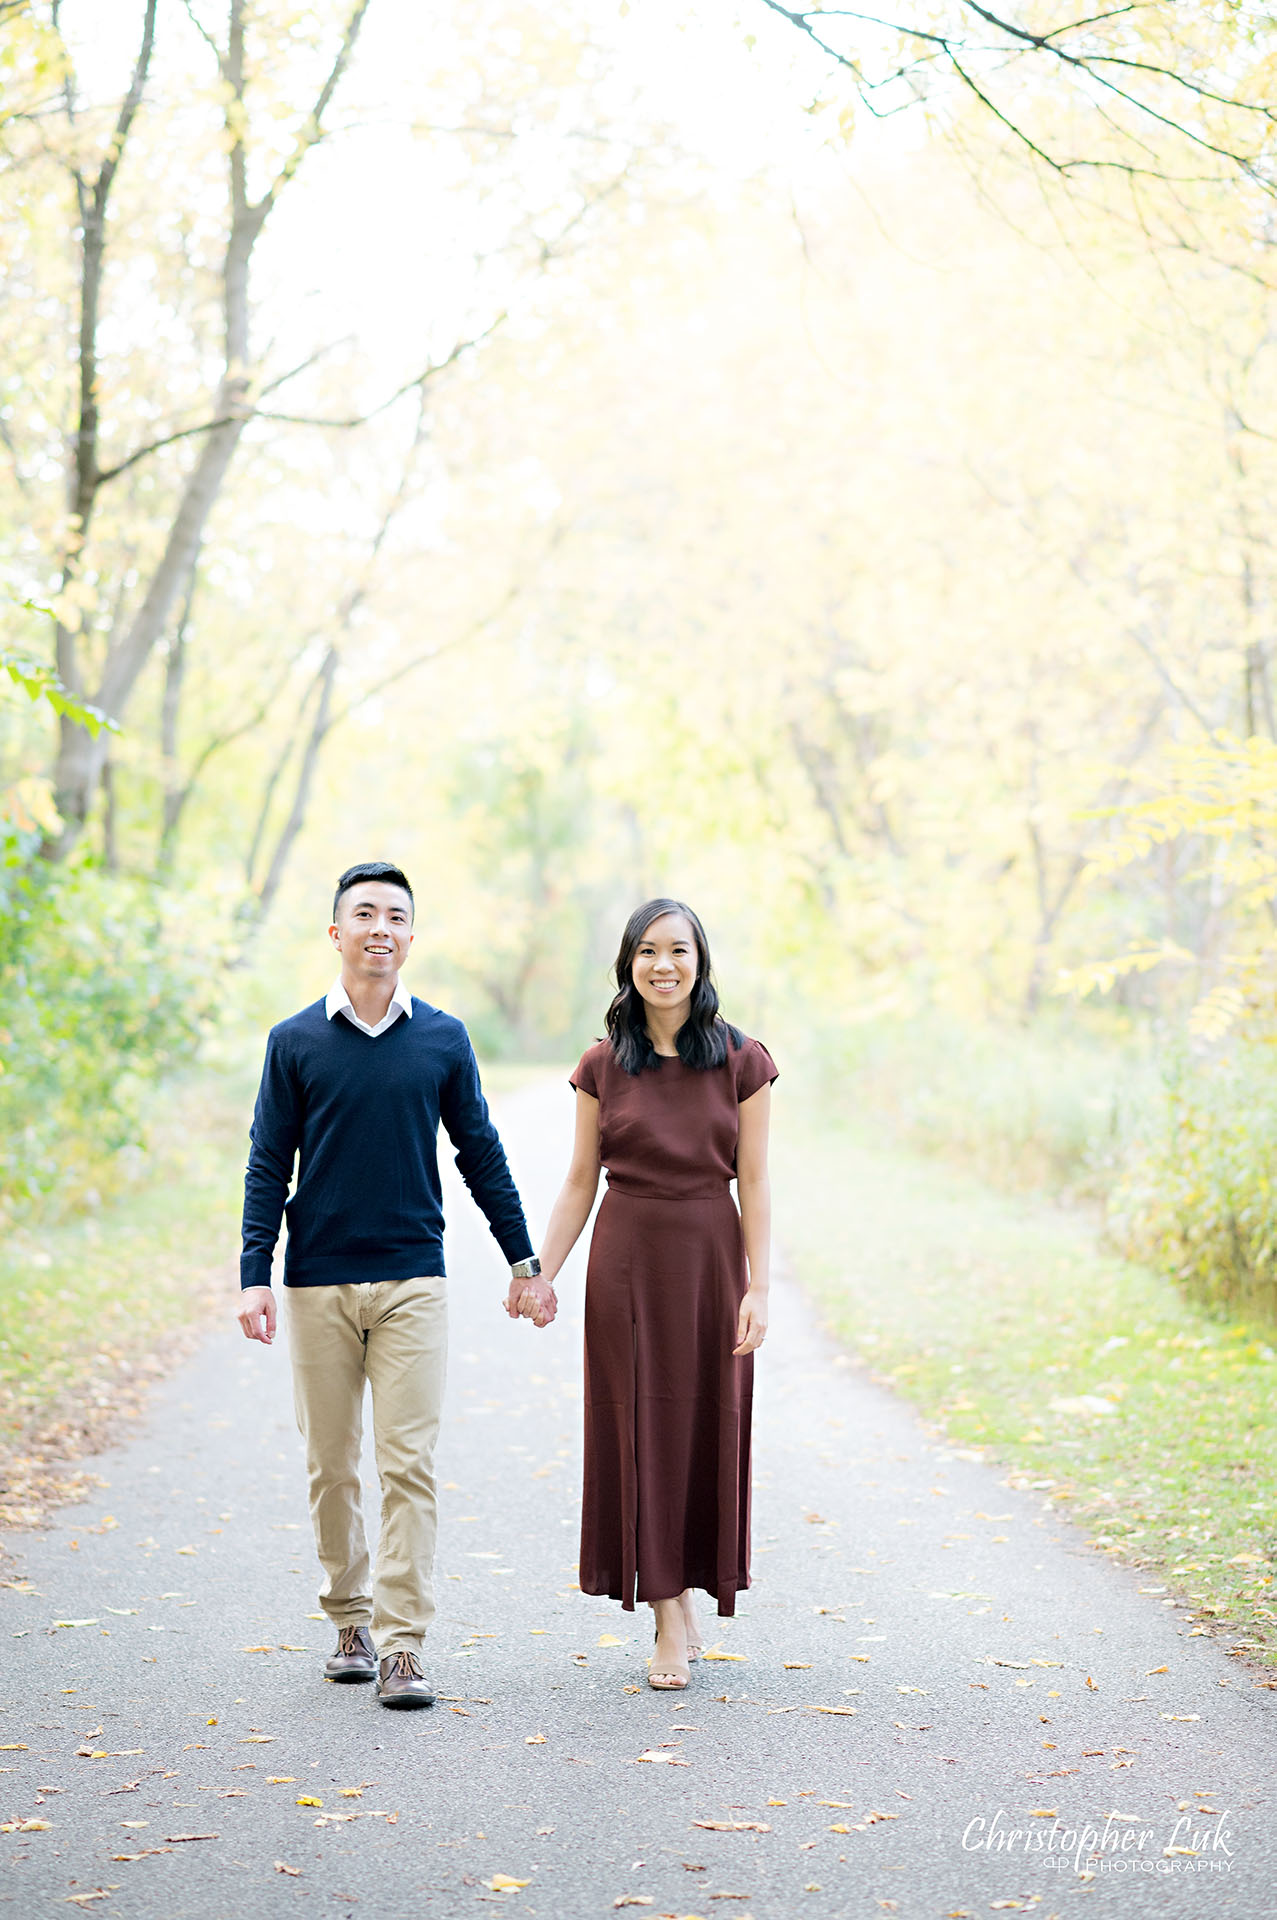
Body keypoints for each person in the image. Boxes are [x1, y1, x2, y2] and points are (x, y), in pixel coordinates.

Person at [237, 861, 556, 1708]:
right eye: (364, 914)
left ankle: (403, 1645)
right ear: (335, 933)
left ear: (413, 937)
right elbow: (269, 1160)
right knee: (330, 1466)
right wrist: (253, 1274)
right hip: (316, 1285)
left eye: (397, 917)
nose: (381, 927)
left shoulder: (442, 1040)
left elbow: (480, 1152)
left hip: (415, 1277)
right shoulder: (294, 1041)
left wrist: (524, 1262)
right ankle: (349, 1620)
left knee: (407, 1464)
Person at [513, 897, 775, 1690]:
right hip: (624, 1260)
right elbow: (576, 1182)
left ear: (700, 962)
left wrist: (760, 1284)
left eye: (679, 951)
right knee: (640, 1430)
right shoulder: (602, 1064)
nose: (664, 965)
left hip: (709, 1258)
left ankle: (688, 1590)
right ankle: (665, 1613)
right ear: (628, 964)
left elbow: (756, 1181)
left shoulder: (742, 1060)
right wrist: (538, 1270)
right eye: (647, 951)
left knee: (704, 1424)